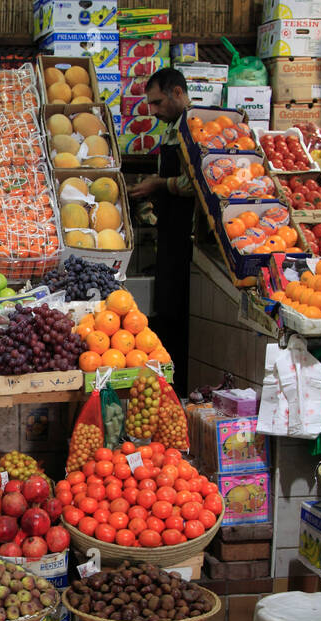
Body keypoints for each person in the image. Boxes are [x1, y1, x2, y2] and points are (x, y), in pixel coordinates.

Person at [128, 68, 193, 393]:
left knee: (177, 311)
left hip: (186, 237)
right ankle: (167, 384)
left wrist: (159, 184)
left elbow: (196, 183)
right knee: (165, 310)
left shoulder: (193, 129)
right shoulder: (171, 131)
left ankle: (178, 386)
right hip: (169, 232)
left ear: (177, 93)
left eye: (157, 102)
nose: (152, 111)